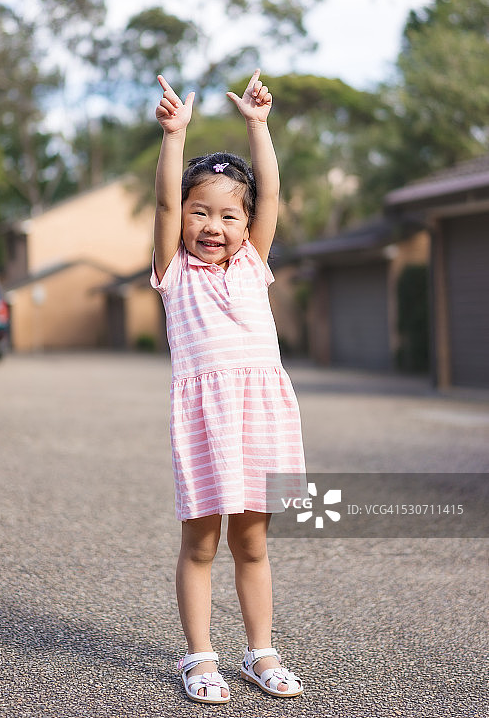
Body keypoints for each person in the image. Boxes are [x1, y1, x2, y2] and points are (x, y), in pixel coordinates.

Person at [150, 69, 305, 704]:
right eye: (200, 212)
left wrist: (258, 126)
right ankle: (200, 656)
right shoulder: (173, 271)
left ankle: (260, 651)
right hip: (206, 417)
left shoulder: (252, 262)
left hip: (259, 413)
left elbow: (271, 192)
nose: (212, 226)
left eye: (228, 215)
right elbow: (164, 203)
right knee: (200, 543)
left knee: (253, 543)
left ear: (247, 226)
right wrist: (174, 136)